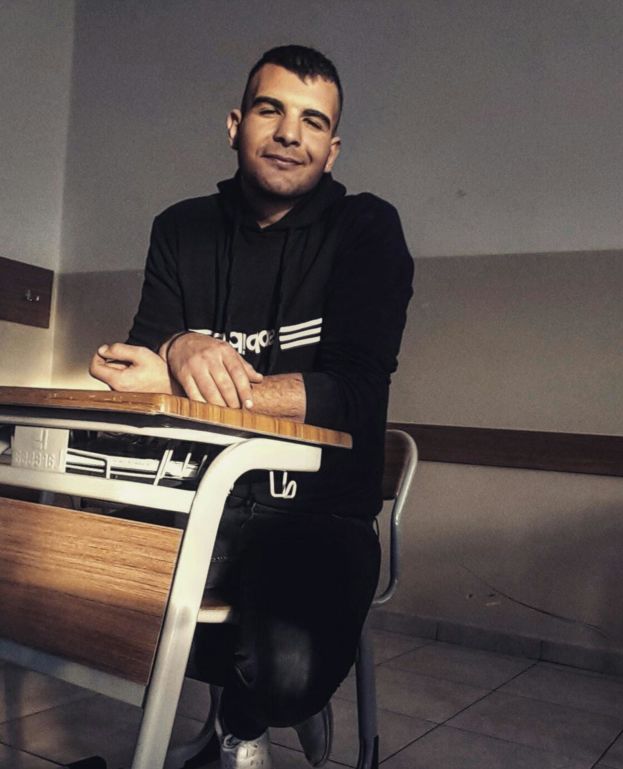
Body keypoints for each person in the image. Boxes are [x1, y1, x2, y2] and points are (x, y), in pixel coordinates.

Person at [90, 45, 413, 769]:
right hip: (194, 498)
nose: (290, 133)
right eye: (271, 110)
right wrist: (176, 343)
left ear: (332, 149)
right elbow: (141, 370)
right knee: (75, 585)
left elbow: (356, 394)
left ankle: (248, 712)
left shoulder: (367, 228)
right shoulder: (180, 228)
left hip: (318, 512)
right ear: (236, 125)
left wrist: (183, 380)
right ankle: (243, 709)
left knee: (284, 675)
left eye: (313, 121)